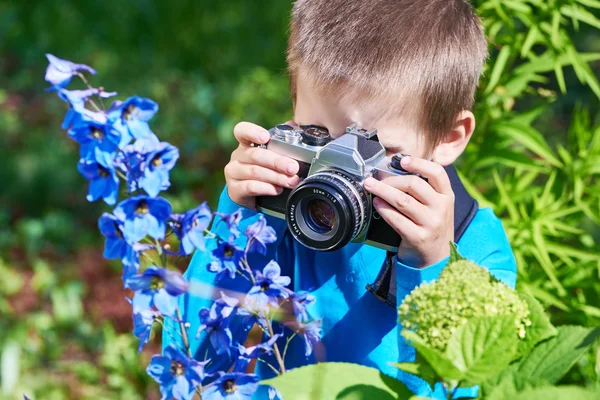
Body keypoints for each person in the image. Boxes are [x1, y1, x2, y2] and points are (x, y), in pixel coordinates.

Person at [163, 0, 517, 398]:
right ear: (294, 104)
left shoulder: (476, 250)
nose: (340, 171)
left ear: (449, 138)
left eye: (376, 149)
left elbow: (453, 390)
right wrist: (238, 218)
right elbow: (191, 360)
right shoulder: (286, 207)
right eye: (317, 134)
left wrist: (431, 268)